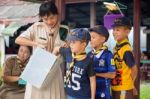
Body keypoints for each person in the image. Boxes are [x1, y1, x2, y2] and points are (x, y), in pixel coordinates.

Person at [15, 1, 69, 99]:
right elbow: (18, 40)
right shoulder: (36, 27)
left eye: (52, 18)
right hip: (37, 68)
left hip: (54, 70)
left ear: (57, 15)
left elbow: (69, 51)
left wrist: (66, 47)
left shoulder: (64, 30)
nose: (49, 22)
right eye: (45, 19)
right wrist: (36, 43)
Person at [53, 28, 96, 99]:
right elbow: (56, 49)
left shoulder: (88, 61)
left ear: (83, 44)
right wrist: (50, 64)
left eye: (74, 42)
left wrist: (92, 97)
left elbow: (92, 81)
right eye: (70, 41)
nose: (71, 44)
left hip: (83, 96)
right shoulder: (68, 52)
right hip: (69, 94)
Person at [111, 17, 138, 99]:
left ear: (127, 32)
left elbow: (134, 69)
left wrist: (131, 84)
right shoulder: (117, 47)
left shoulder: (126, 50)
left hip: (124, 88)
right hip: (115, 86)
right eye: (114, 29)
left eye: (118, 30)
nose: (114, 32)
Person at [88, 25, 116, 99]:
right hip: (90, 92)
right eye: (90, 37)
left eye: (93, 37)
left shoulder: (108, 55)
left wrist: (95, 74)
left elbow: (112, 75)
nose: (90, 40)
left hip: (103, 94)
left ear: (103, 39)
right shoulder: (89, 54)